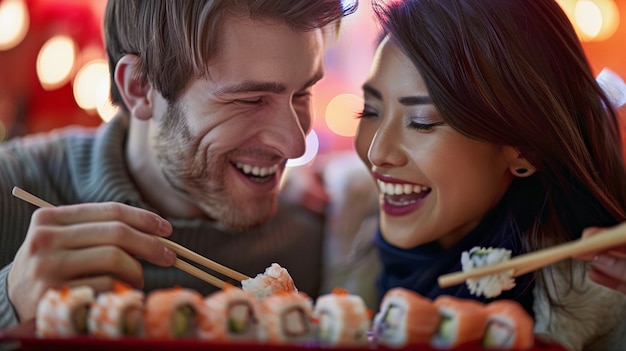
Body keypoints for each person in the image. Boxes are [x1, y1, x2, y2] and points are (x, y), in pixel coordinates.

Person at [0, 0, 358, 330]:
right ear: (140, 89)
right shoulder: (13, 189)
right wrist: (11, 302)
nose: (294, 145)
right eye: (251, 100)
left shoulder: (313, 230)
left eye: (302, 94)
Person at [354, 0, 626, 349]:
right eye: (369, 111)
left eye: (422, 122)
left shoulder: (600, 303)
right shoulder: (339, 221)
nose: (377, 153)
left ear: (524, 149)